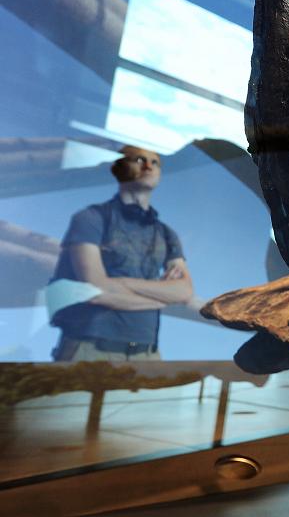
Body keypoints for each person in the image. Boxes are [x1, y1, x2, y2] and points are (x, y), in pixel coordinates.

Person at [49, 145, 192, 361]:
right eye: (139, 160)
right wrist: (160, 300)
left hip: (146, 354)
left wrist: (117, 285)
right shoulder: (91, 218)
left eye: (155, 163)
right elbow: (94, 290)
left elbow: (183, 291)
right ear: (120, 168)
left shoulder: (166, 233)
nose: (148, 166)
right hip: (89, 350)